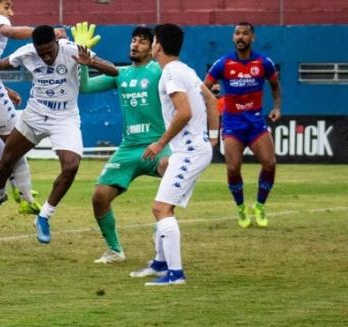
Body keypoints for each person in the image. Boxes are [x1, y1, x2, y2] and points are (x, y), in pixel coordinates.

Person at [0, 26, 118, 243]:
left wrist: (91, 63)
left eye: (49, 52)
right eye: (41, 53)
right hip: (35, 114)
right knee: (7, 160)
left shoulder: (71, 49)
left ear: (56, 43)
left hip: (64, 117)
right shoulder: (27, 52)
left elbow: (114, 71)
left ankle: (44, 216)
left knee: (71, 166)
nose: (46, 57)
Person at [129, 24, 219, 286]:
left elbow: (184, 113)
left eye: (154, 41)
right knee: (164, 199)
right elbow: (212, 101)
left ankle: (176, 275)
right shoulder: (186, 69)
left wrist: (160, 143)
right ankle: (160, 263)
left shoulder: (170, 73)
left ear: (158, 45)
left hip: (188, 151)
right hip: (190, 149)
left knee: (160, 209)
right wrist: (212, 138)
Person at [74, 24, 170, 264]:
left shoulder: (159, 71)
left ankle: (162, 229)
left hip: (158, 145)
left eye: (141, 41)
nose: (135, 45)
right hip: (129, 148)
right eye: (133, 40)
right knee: (99, 196)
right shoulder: (121, 74)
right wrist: (84, 65)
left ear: (152, 48)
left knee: (171, 168)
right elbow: (85, 88)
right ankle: (115, 250)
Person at [0, 0, 64, 214]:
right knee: (16, 144)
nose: (11, 12)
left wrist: (4, 89)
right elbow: (10, 31)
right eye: (7, 6)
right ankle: (24, 196)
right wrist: (43, 33)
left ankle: (16, 187)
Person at [204, 22, 281, 228]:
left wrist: (276, 108)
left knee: (270, 163)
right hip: (232, 123)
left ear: (252, 38)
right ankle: (241, 208)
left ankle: (260, 206)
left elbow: (274, 85)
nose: (240, 37)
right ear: (233, 38)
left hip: (256, 121)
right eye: (237, 33)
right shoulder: (223, 63)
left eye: (245, 33)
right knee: (232, 167)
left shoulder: (264, 62)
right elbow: (203, 88)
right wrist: (212, 101)